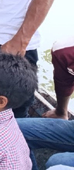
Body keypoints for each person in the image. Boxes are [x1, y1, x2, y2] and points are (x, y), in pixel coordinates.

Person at [17, 36, 74, 170]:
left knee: (57, 163)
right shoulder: (66, 51)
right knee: (11, 130)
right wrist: (61, 111)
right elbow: (64, 84)